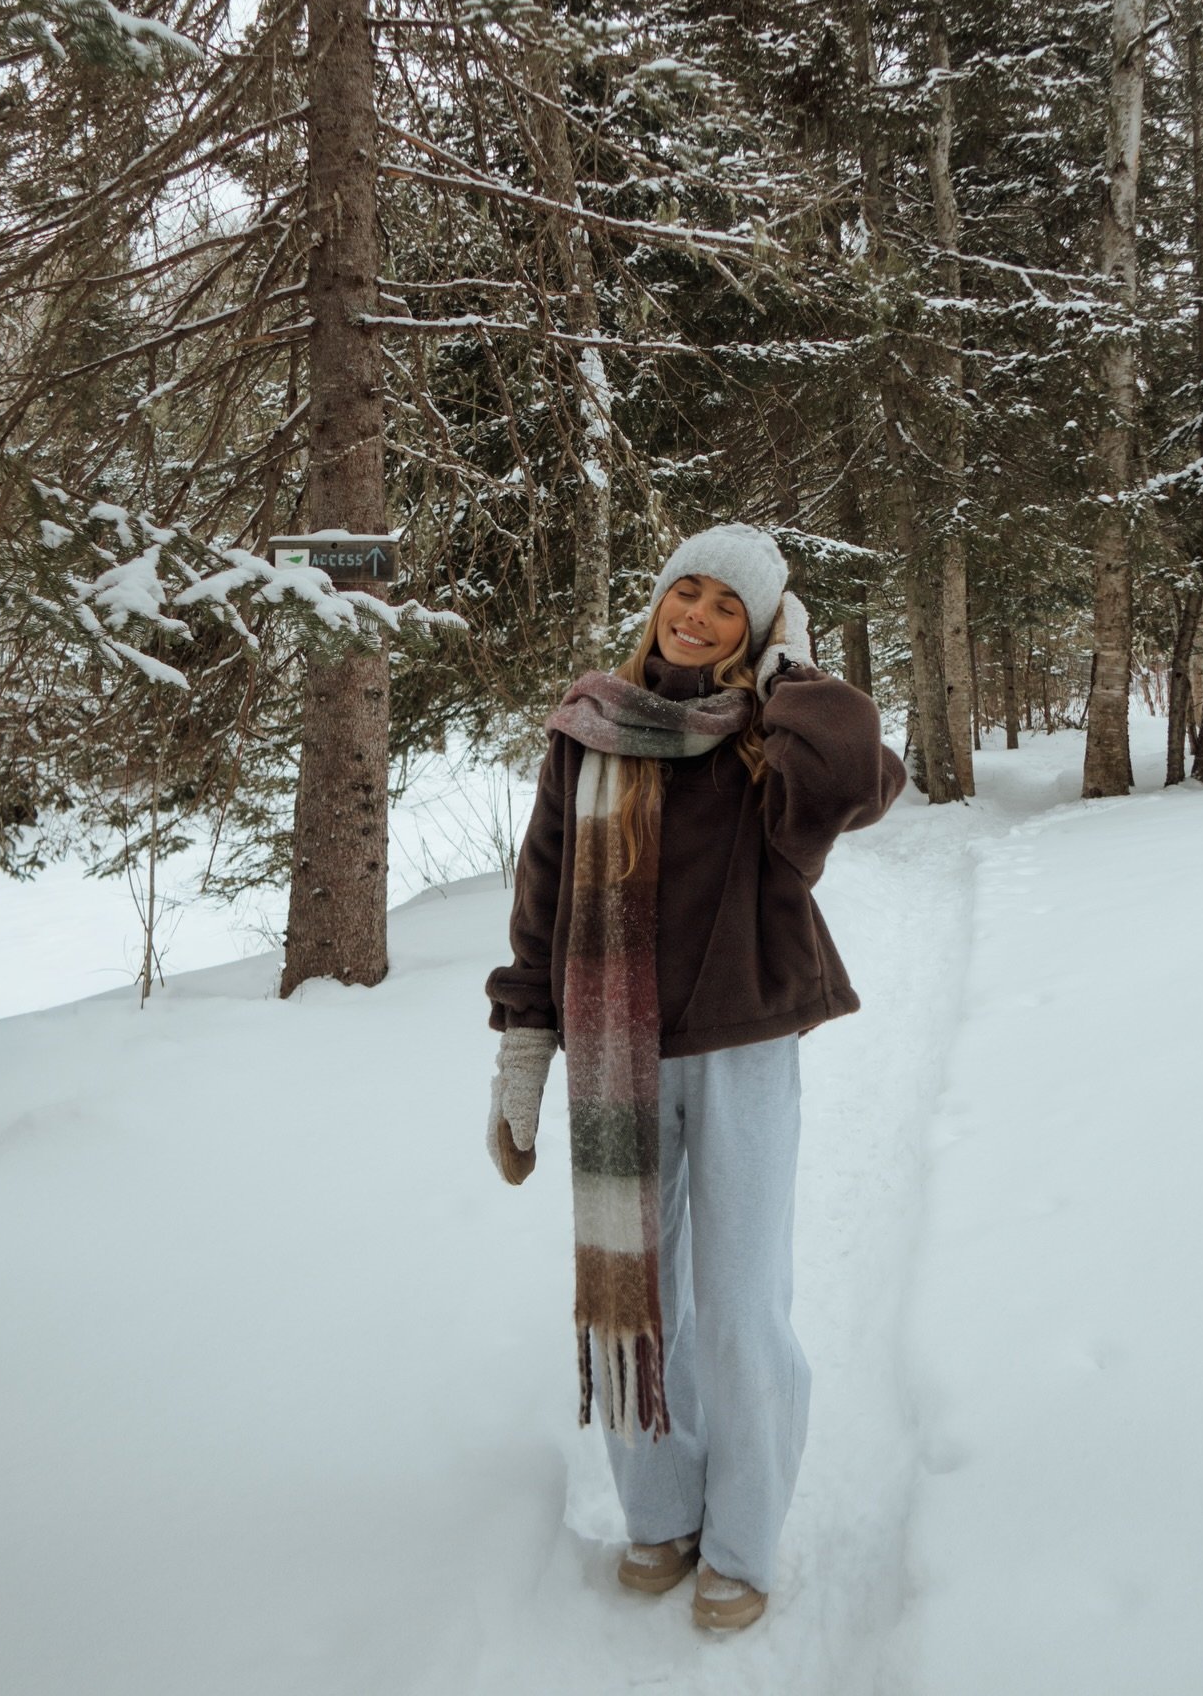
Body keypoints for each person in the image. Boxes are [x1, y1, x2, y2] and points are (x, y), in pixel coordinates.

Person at [483, 523, 907, 1632]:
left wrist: (792, 672)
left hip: (743, 1046)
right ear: (659, 598)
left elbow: (866, 774)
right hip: (615, 1054)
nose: (700, 615)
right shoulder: (589, 726)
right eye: (690, 590)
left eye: (732, 605)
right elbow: (541, 902)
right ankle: (661, 1511)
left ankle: (744, 1538)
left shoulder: (771, 732)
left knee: (738, 1302)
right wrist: (522, 1054)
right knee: (639, 1295)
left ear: (758, 630)